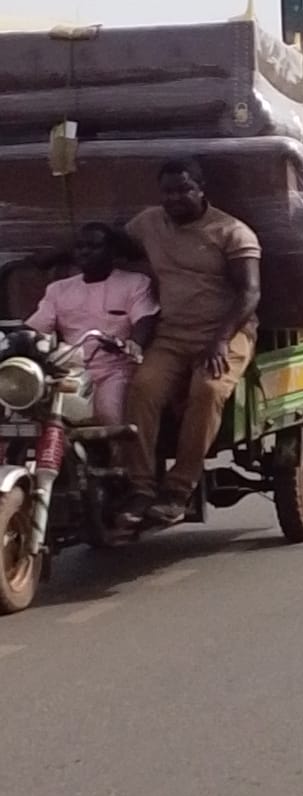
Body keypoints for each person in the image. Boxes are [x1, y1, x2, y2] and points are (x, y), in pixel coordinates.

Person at [118, 158, 261, 527]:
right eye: (168, 191)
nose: (175, 198)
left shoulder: (232, 232)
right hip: (172, 333)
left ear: (201, 189)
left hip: (226, 333)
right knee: (142, 390)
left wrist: (221, 339)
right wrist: (43, 258)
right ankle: (141, 487)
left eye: (184, 189)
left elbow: (250, 293)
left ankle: (179, 490)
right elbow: (109, 242)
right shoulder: (149, 222)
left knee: (208, 391)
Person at [26, 222, 159, 426]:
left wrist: (134, 342)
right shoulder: (58, 289)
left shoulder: (135, 282)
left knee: (110, 416)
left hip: (116, 368)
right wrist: (17, 340)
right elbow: (36, 328)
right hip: (68, 368)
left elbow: (144, 318)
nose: (85, 252)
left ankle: (117, 458)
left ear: (112, 251)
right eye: (80, 247)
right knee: (41, 416)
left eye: (93, 246)